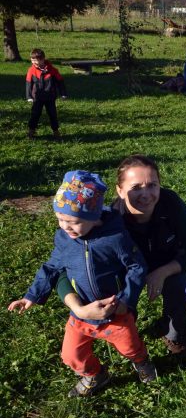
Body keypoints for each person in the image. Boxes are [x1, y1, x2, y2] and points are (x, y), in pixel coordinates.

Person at [7, 170, 156, 398]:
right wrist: (31, 296)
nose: (65, 226)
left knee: (130, 347)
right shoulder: (65, 239)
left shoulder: (114, 238)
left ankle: (141, 361)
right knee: (71, 356)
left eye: (73, 222)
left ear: (94, 218)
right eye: (60, 219)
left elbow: (137, 267)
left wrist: (127, 299)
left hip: (114, 312)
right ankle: (95, 374)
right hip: (80, 315)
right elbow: (52, 267)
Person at [57, 155, 186, 355]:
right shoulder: (105, 224)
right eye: (136, 187)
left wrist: (163, 272)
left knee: (181, 281)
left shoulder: (171, 204)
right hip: (126, 272)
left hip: (167, 262)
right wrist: (79, 308)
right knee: (104, 282)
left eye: (152, 185)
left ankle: (173, 333)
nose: (146, 194)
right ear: (120, 190)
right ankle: (122, 325)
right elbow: (62, 270)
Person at [25, 48, 67, 139]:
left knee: (52, 114)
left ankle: (56, 131)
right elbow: (28, 83)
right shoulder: (31, 70)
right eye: (32, 60)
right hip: (37, 97)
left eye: (36, 61)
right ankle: (31, 131)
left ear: (43, 59)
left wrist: (63, 93)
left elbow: (60, 82)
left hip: (50, 97)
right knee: (35, 114)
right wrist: (29, 96)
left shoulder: (53, 70)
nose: (34, 63)